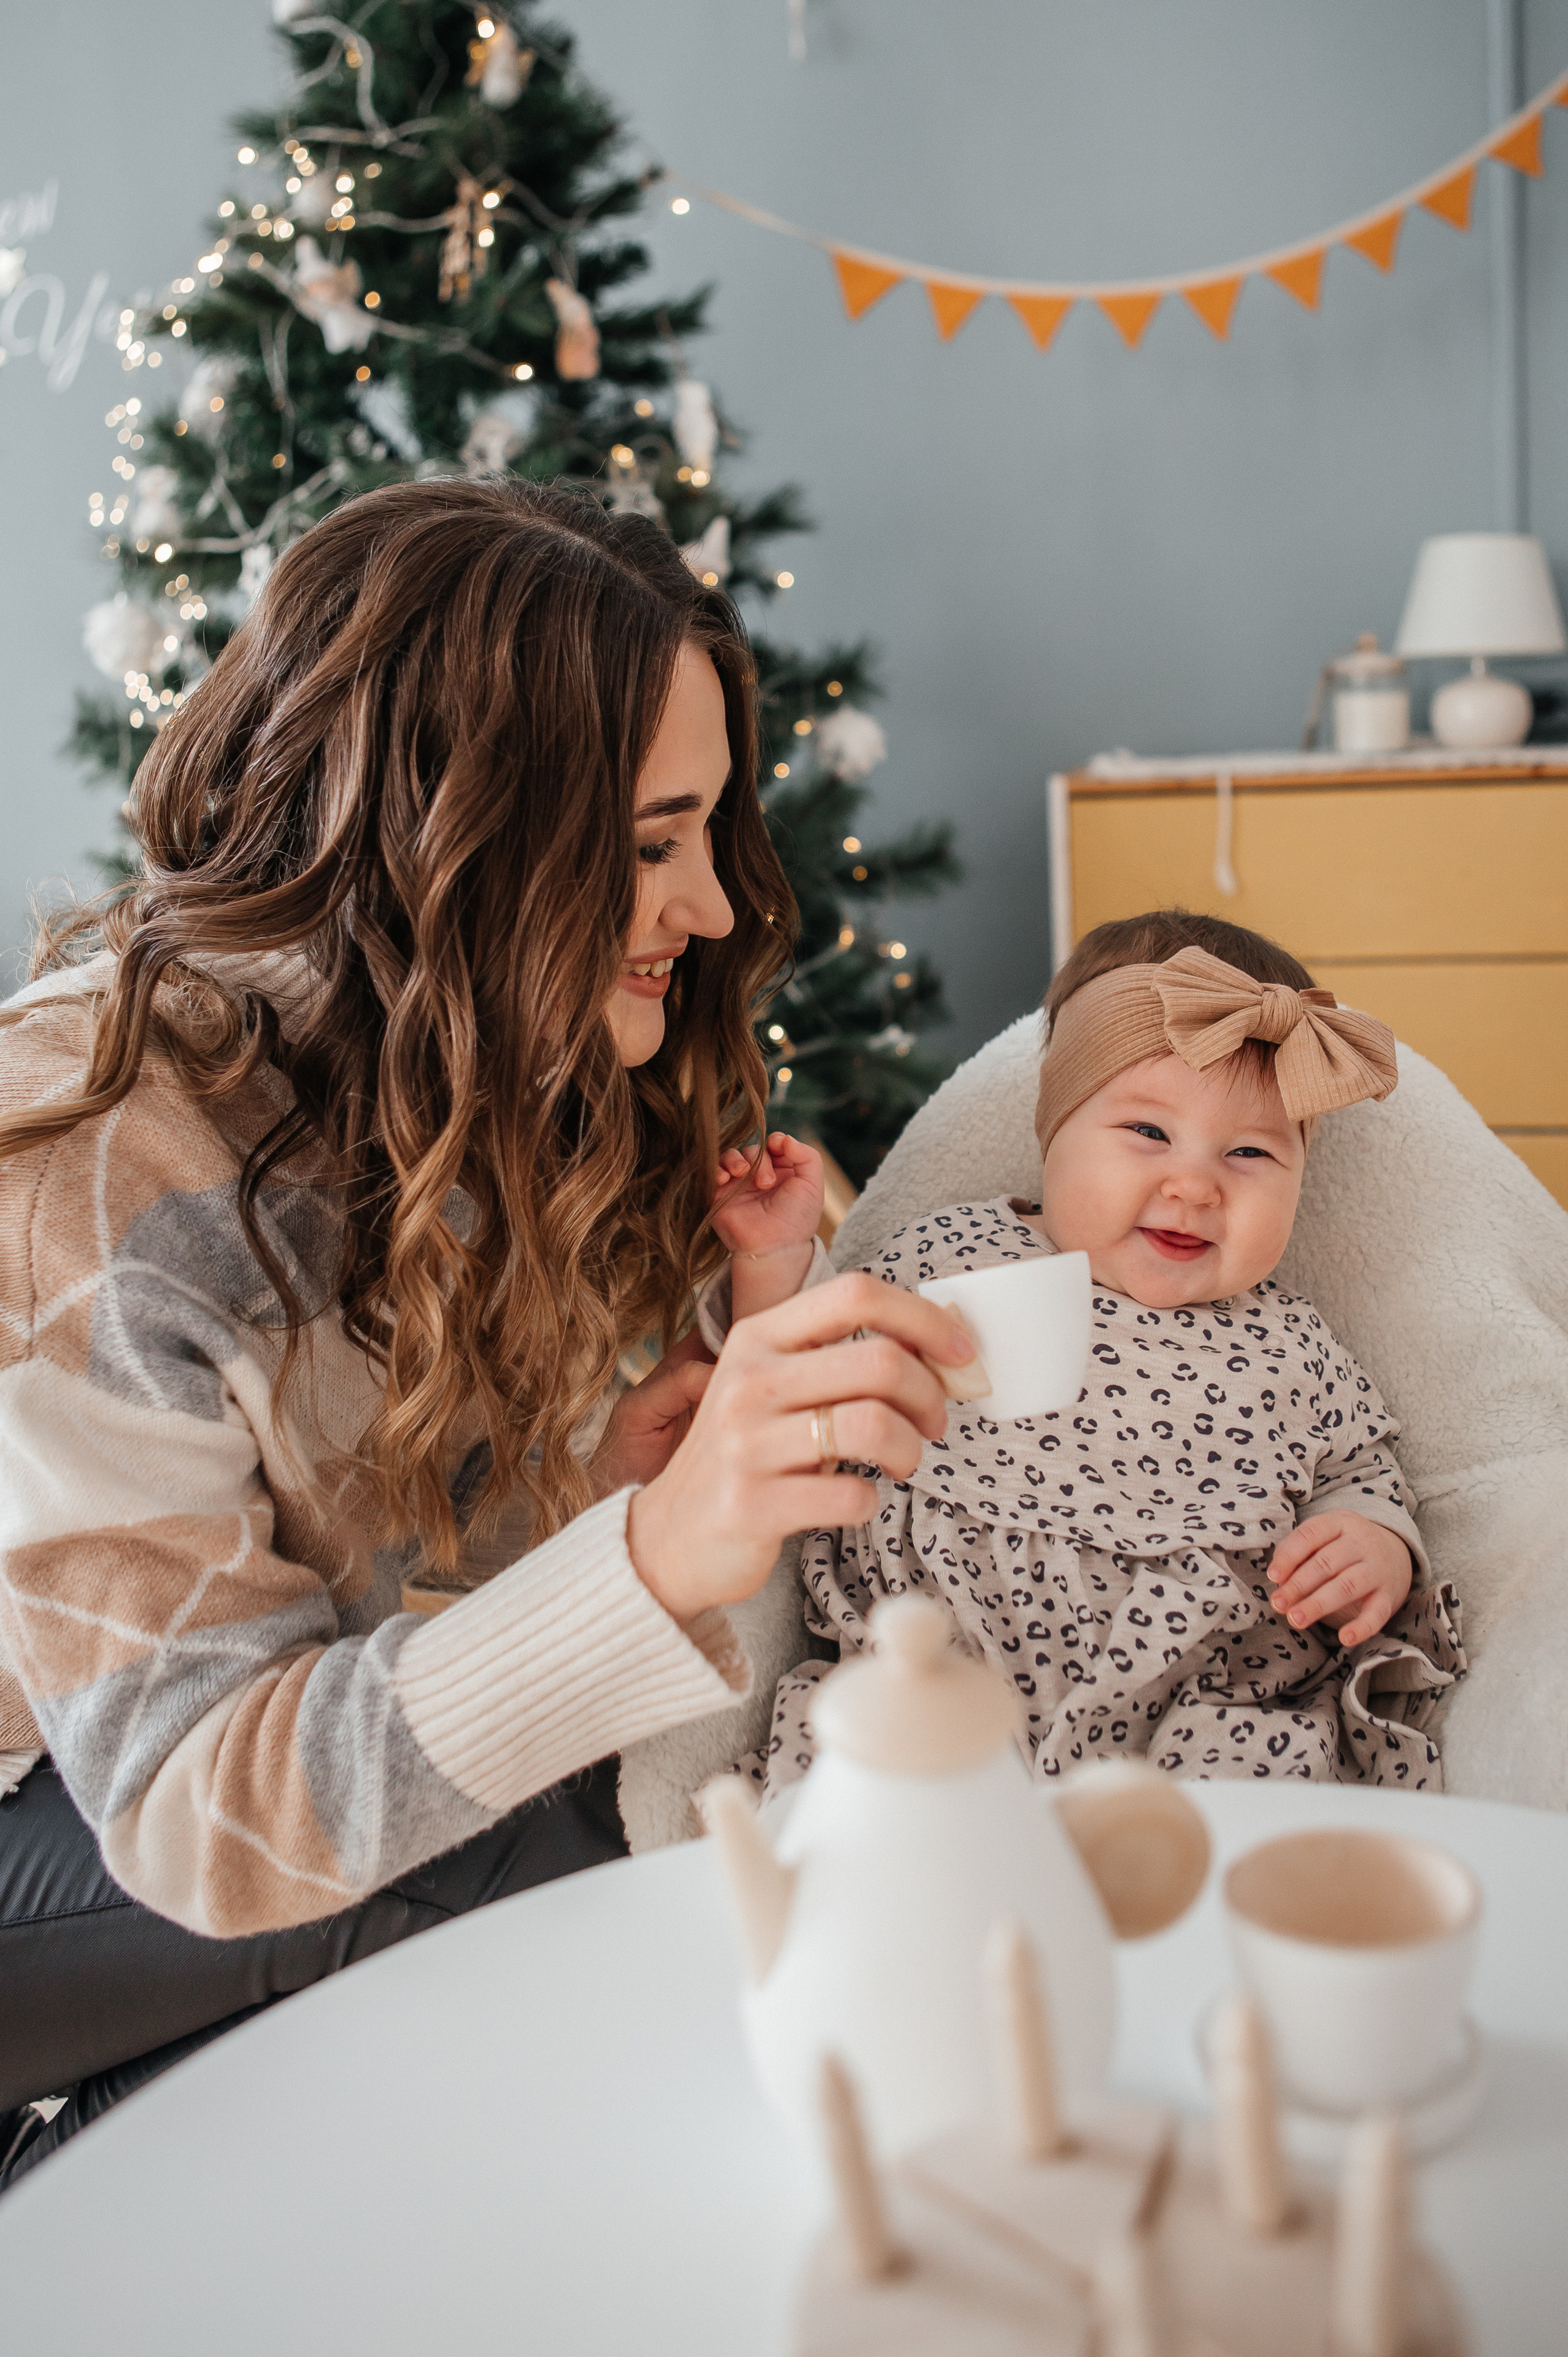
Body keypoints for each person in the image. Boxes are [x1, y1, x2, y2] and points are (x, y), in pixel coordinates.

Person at [0, 478, 977, 2185]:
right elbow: (200, 1808)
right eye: (653, 845)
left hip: (140, 1801)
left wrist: (602, 1497)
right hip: (82, 1804)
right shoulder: (88, 1164)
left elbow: (352, 1601)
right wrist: (649, 1562)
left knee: (538, 1827)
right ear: (461, 837)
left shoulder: (436, 1066)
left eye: (706, 834)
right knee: (520, 1855)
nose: (714, 907)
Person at [719, 910, 1464, 1796]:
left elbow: (1362, 1468)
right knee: (865, 1796)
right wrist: (773, 1262)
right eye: (1149, 1133)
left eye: (1250, 1152)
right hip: (937, 1668)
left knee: (1263, 1797)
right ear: (1055, 1128)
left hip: (1207, 1696)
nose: (1194, 1185)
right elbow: (794, 1382)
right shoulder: (949, 1255)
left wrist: (1374, 1545)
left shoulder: (1290, 1340)